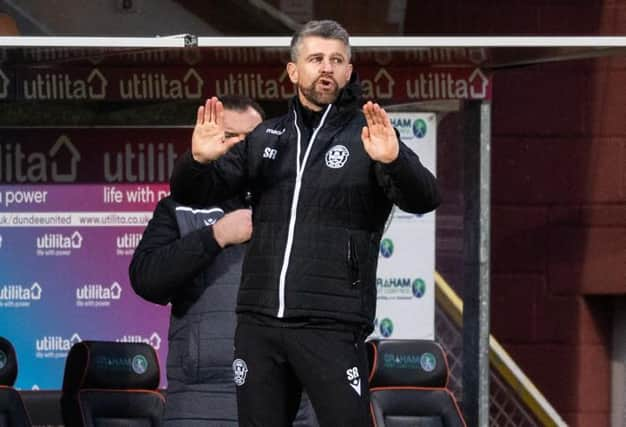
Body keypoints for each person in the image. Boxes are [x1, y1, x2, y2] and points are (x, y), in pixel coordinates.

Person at [169, 20, 440, 427]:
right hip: (259, 325)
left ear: (349, 70)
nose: (326, 68)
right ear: (294, 71)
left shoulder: (370, 137)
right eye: (315, 59)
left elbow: (425, 197)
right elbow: (194, 191)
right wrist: (198, 161)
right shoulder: (265, 137)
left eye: (336, 60)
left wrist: (394, 159)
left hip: (331, 323)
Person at [129, 95, 317, 426]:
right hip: (204, 401)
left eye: (253, 137)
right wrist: (215, 236)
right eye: (230, 136)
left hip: (291, 398)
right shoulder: (181, 207)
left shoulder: (297, 207)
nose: (243, 146)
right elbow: (146, 279)